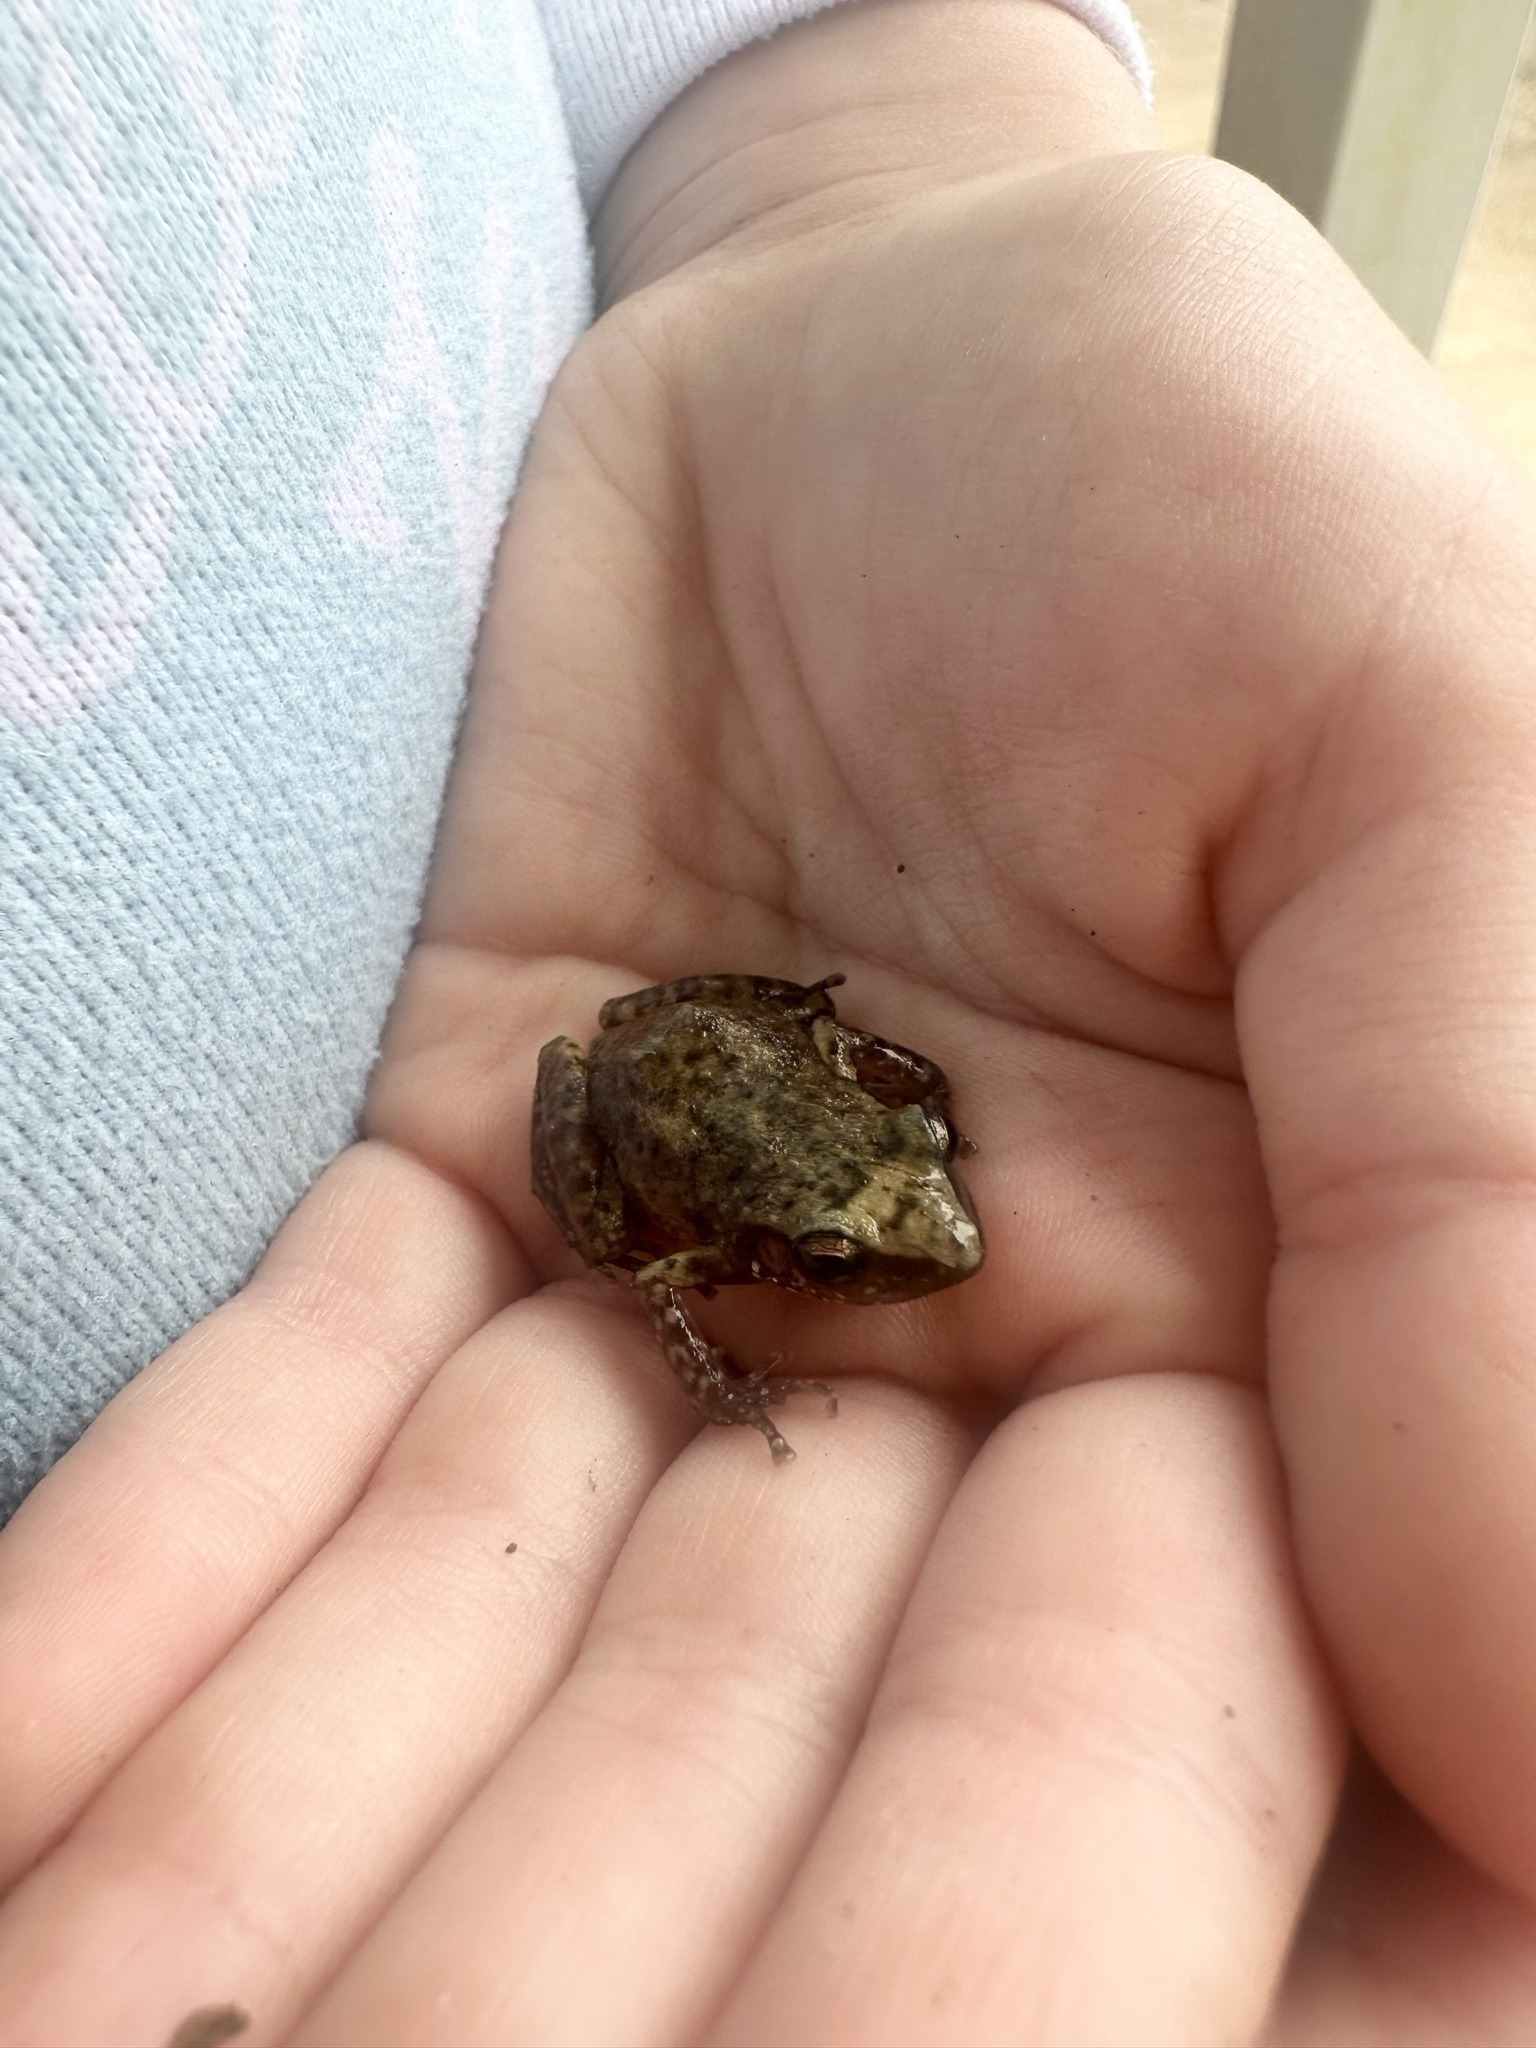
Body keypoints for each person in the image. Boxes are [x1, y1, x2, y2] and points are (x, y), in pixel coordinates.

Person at [5, 0, 1536, 2038]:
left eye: (902, 1213)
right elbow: (649, 1282)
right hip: (537, 1164)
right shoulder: (712, 1250)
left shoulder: (875, 1166)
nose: (937, 1244)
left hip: (666, 906)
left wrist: (863, 149)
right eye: (875, 1245)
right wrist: (711, 1351)